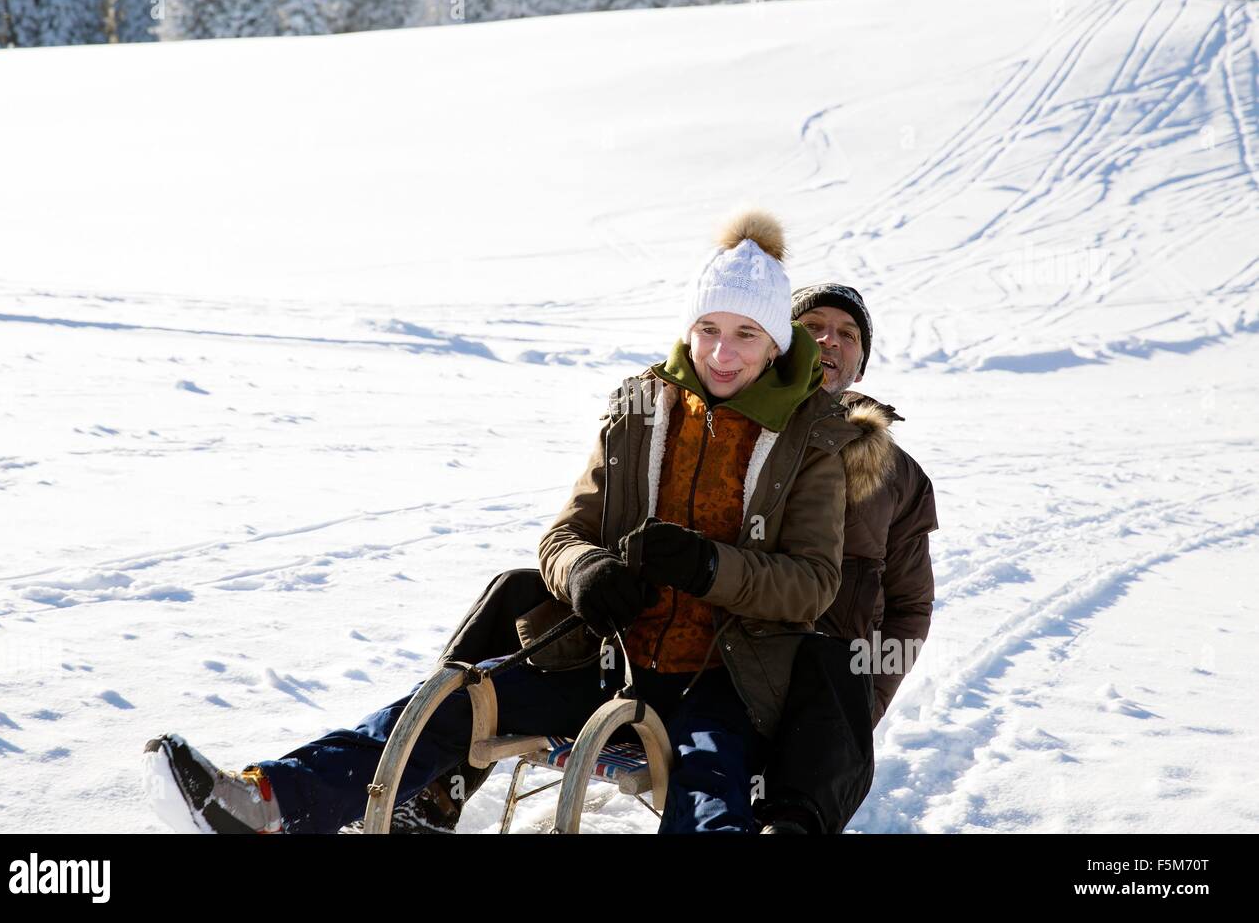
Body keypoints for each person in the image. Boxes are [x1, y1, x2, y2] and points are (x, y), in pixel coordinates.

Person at [142, 208, 863, 834]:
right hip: (611, 659)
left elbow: (812, 585)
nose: (721, 352)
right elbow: (563, 536)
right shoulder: (643, 408)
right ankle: (271, 804)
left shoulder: (812, 437)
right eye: (706, 328)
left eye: (744, 334)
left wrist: (710, 568)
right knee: (456, 700)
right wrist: (586, 571)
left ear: (775, 343)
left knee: (709, 795)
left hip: (727, 677)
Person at [753, 283, 939, 834]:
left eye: (848, 334)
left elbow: (909, 607)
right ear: (777, 343)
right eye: (812, 328)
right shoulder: (734, 428)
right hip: (723, 662)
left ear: (860, 365)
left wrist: (865, 702)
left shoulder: (901, 479)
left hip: (828, 684)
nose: (829, 341)